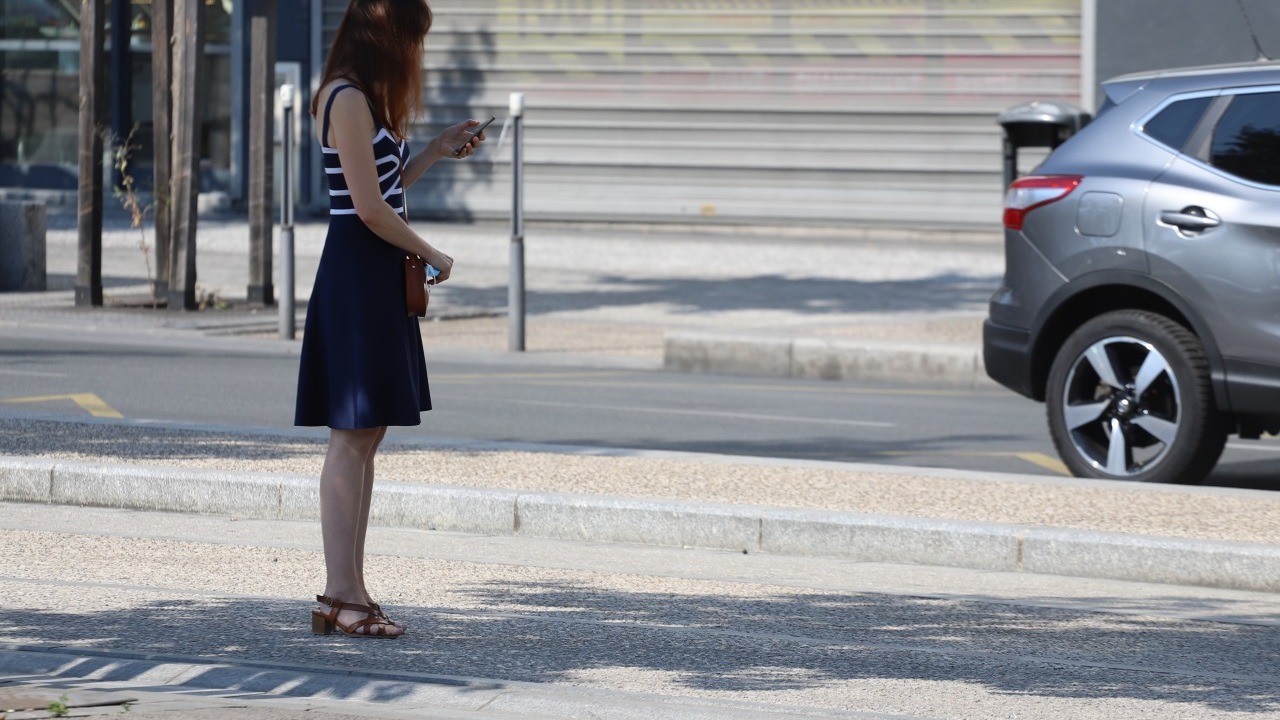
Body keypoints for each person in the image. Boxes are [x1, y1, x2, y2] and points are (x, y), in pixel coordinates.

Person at [296, 0, 486, 639]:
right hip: (358, 272)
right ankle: (339, 593)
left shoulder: (364, 99)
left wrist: (435, 148)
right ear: (386, 37)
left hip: (373, 273)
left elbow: (386, 187)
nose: (416, 54)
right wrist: (428, 251)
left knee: (366, 432)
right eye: (412, 39)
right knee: (351, 434)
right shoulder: (345, 98)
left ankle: (346, 591)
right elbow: (370, 210)